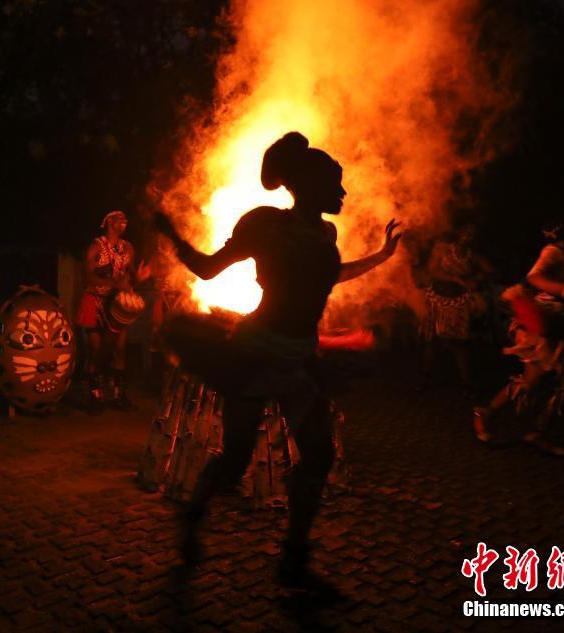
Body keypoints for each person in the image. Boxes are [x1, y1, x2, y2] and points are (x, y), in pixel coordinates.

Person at [154, 131, 402, 586]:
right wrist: (172, 235)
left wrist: (382, 256)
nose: (342, 192)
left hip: (299, 359)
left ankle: (294, 557)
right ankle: (192, 518)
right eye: (335, 182)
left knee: (319, 455)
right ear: (305, 184)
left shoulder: (325, 234)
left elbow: (333, 275)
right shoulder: (265, 226)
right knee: (234, 460)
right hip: (256, 353)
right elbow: (209, 269)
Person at [472, 222, 564, 456]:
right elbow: (534, 277)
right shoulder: (553, 251)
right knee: (532, 382)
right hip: (544, 327)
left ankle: (539, 434)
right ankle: (485, 412)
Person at [76, 210, 150, 412]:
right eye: (119, 218)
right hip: (96, 302)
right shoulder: (95, 247)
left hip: (116, 305)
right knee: (96, 351)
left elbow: (131, 276)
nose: (124, 220)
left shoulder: (128, 248)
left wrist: (140, 278)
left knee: (120, 350)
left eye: (126, 218)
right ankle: (93, 396)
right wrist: (113, 283)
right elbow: (88, 278)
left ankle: (119, 395)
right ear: (108, 221)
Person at [417, 226, 492, 395]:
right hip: (436, 299)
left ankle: (466, 382)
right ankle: (425, 378)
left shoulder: (472, 255)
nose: (468, 235)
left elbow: (491, 272)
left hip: (459, 303)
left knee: (459, 343)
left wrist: (477, 278)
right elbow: (433, 271)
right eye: (465, 231)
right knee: (432, 342)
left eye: (472, 233)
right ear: (457, 233)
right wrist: (459, 279)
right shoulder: (442, 249)